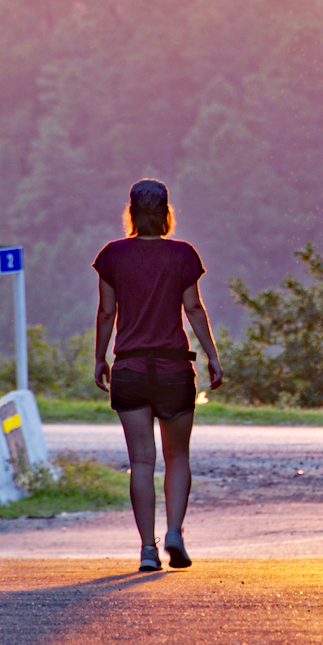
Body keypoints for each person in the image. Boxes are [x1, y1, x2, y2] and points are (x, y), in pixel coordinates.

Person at [93, 179, 222, 572]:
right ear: (166, 214)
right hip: (173, 370)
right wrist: (213, 357)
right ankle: (175, 534)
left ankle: (147, 550)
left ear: (131, 212)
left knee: (142, 462)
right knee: (177, 456)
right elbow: (194, 308)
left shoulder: (112, 256)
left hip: (130, 369)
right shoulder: (182, 254)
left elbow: (106, 313)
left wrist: (100, 358)